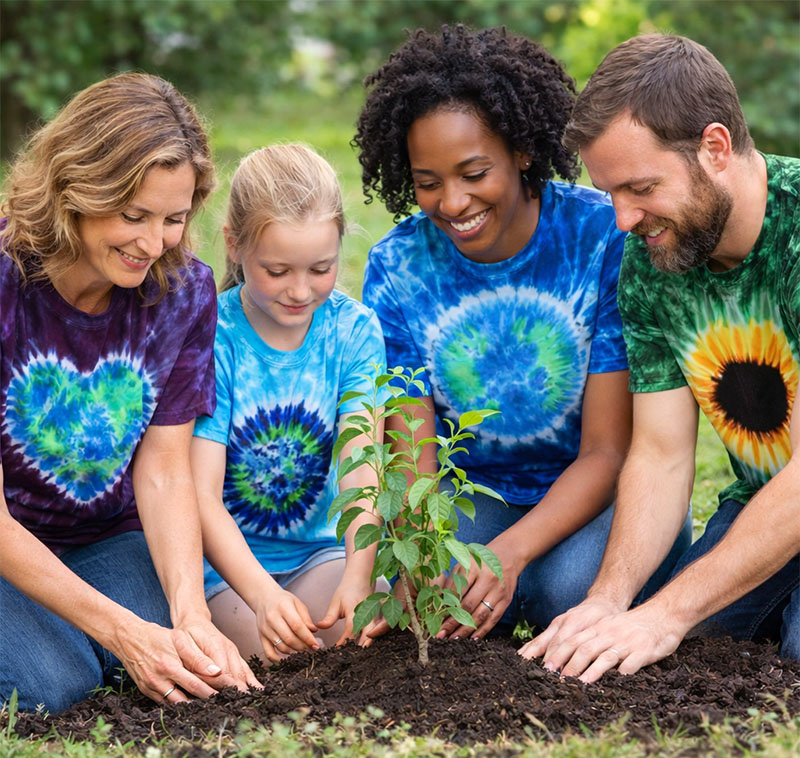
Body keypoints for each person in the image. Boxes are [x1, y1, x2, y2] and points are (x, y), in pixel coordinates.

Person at [354, 24, 692, 642]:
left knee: (562, 594)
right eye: (428, 182)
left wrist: (510, 553)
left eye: (473, 172)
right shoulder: (399, 267)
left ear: (522, 152)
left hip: (597, 490)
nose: (452, 202)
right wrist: (422, 550)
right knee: (439, 584)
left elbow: (606, 451)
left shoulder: (601, 239)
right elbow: (413, 445)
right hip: (477, 492)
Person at [520, 34, 799, 681]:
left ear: (715, 148)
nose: (621, 219)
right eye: (610, 192)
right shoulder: (651, 262)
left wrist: (665, 612)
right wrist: (610, 600)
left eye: (640, 187)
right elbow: (662, 452)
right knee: (674, 653)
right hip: (763, 501)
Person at [0, 73, 260, 714]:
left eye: (173, 219)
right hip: (10, 539)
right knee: (50, 685)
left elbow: (165, 468)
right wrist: (121, 632)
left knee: (185, 647)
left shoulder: (184, 293)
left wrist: (189, 610)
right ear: (75, 191)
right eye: (132, 215)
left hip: (109, 540)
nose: (153, 244)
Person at [190, 144, 389, 664]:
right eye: (277, 271)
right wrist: (261, 595)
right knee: (280, 653)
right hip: (227, 568)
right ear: (235, 246)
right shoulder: (214, 335)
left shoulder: (354, 331)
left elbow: (361, 466)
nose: (300, 291)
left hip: (320, 553)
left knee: (377, 621)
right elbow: (201, 495)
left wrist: (358, 574)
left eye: (320, 269)